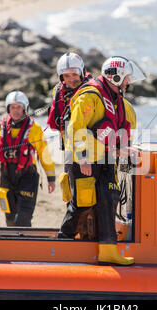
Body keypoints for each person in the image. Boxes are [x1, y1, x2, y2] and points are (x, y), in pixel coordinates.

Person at [63, 56, 145, 265]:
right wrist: (82, 159)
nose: (128, 82)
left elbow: (118, 135)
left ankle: (108, 250)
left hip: (107, 161)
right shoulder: (89, 97)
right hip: (85, 161)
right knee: (81, 205)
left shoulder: (120, 103)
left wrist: (124, 150)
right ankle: (62, 243)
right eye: (126, 78)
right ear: (115, 76)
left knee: (109, 200)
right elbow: (75, 128)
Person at [0, 91, 55, 227]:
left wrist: (51, 179)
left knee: (23, 218)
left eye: (19, 107)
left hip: (28, 175)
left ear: (24, 108)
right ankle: (11, 244)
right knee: (9, 217)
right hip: (6, 175)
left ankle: (24, 244)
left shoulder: (35, 129)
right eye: (12, 107)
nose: (15, 111)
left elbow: (45, 155)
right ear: (8, 108)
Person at [46, 52, 97, 240]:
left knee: (86, 198)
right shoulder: (59, 92)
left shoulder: (90, 92)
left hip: (88, 152)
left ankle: (80, 235)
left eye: (74, 74)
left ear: (82, 72)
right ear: (61, 77)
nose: (71, 79)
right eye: (66, 76)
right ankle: (73, 236)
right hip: (70, 151)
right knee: (72, 194)